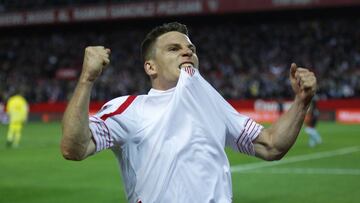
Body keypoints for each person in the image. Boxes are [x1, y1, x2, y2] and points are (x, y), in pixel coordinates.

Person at [61, 22, 317, 202]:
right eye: (173, 49)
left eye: (191, 48)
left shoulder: (212, 103)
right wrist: (86, 79)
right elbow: (74, 148)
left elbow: (271, 146)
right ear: (151, 67)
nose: (187, 51)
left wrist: (302, 101)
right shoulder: (130, 109)